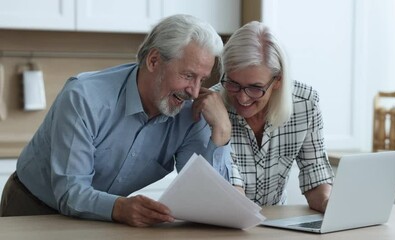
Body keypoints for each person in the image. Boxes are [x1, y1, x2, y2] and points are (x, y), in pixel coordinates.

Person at [0, 14, 239, 227]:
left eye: (202, 79)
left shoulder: (191, 110)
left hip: (104, 218)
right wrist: (119, 208)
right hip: (32, 209)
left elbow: (206, 199)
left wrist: (222, 131)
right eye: (188, 76)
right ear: (154, 61)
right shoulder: (84, 98)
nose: (195, 92)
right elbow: (71, 193)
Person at [211, 21, 334, 213]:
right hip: (227, 222)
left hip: (276, 224)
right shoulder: (212, 107)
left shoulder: (305, 102)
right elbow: (227, 193)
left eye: (255, 88)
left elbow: (315, 172)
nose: (242, 98)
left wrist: (329, 204)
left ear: (278, 81)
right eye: (233, 83)